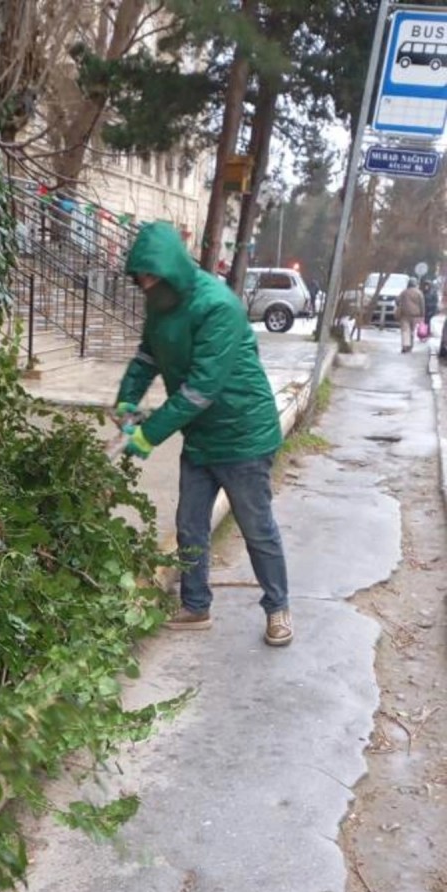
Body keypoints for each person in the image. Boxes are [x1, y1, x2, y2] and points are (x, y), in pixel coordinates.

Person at [114, 221, 292, 648]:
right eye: (141, 279)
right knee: (190, 525)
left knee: (257, 528)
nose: (147, 286)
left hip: (243, 435)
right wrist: (126, 400)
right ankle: (196, 606)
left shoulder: (217, 307)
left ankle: (278, 607)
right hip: (200, 438)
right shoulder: (160, 304)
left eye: (153, 277)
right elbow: (146, 357)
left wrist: (148, 435)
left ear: (172, 269)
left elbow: (200, 390)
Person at [395, 278, 425, 352]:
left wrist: (400, 305)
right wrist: (422, 315)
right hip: (415, 315)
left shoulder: (404, 292)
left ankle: (405, 346)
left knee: (405, 330)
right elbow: (422, 304)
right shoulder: (419, 293)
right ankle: (410, 346)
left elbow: (397, 300)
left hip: (405, 314)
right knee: (412, 330)